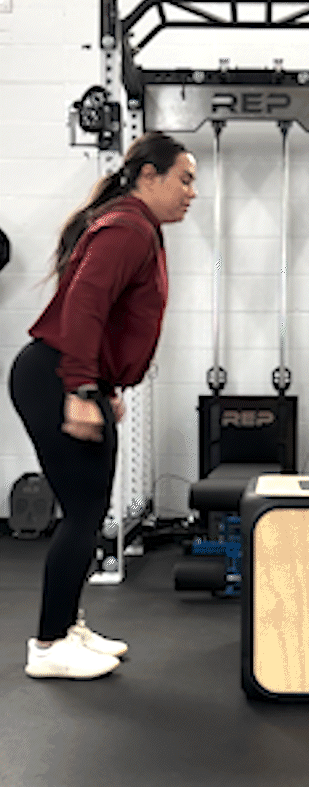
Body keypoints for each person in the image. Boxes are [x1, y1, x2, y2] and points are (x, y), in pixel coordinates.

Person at [8, 130, 197, 680]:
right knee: (85, 512)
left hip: (66, 375)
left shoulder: (135, 226)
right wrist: (81, 388)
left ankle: (68, 626)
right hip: (54, 376)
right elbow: (84, 306)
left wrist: (104, 386)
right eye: (184, 179)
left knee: (87, 512)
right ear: (148, 176)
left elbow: (108, 317)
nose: (191, 192)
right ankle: (48, 645)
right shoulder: (128, 227)